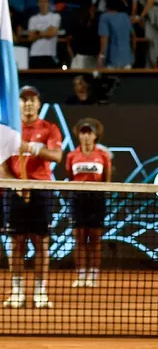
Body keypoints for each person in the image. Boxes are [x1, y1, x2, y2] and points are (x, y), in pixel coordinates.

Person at [1, 86, 63, 309]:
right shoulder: (8, 131)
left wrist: (31, 148)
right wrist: (17, 185)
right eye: (24, 99)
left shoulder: (50, 129)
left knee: (41, 242)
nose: (28, 103)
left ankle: (40, 291)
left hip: (41, 189)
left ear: (38, 104)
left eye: (32, 99)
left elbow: (57, 155)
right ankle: (17, 291)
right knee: (16, 242)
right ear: (18, 104)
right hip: (15, 190)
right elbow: (2, 166)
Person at [66, 119, 112, 288]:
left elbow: (107, 179)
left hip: (96, 200)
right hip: (77, 199)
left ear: (95, 136)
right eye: (83, 132)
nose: (86, 136)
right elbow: (70, 176)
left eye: (89, 133)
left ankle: (93, 274)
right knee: (79, 238)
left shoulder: (103, 156)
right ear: (79, 136)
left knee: (95, 239)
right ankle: (80, 275)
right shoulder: (72, 156)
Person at [98, 0, 136, 70]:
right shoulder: (125, 16)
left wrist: (101, 56)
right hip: (127, 60)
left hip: (112, 62)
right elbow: (133, 37)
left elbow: (104, 38)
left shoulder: (104, 17)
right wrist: (133, 54)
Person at [27, 0, 61, 70]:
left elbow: (51, 34)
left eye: (45, 1)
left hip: (50, 54)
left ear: (49, 3)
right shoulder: (33, 19)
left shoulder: (55, 16)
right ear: (38, 3)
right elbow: (30, 38)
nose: (43, 4)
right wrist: (46, 31)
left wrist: (37, 32)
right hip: (35, 54)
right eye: (41, 1)